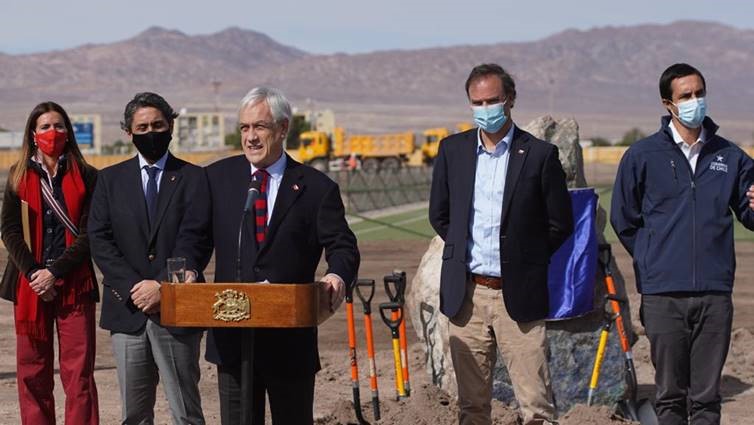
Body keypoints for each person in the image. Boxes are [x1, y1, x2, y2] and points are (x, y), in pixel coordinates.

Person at [203, 86, 359, 425]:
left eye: (260, 126)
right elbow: (193, 238)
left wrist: (336, 275)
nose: (251, 137)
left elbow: (343, 246)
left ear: (283, 128)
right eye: (244, 128)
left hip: (290, 342)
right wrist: (185, 268)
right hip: (233, 337)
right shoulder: (216, 179)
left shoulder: (317, 188)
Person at [428, 63, 573, 425]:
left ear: (510, 100)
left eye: (493, 100)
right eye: (477, 102)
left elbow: (559, 223)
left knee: (537, 406)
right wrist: (462, 251)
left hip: (519, 298)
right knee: (472, 407)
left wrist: (526, 259)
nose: (486, 109)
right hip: (467, 297)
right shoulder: (453, 151)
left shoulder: (539, 155)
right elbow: (440, 214)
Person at [611, 63, 754, 425]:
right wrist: (651, 259)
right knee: (670, 397)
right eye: (686, 96)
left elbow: (749, 215)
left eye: (700, 93)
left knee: (706, 399)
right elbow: (623, 220)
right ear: (667, 104)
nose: (695, 101)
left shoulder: (731, 157)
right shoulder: (641, 156)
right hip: (663, 296)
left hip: (715, 294)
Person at [88, 92, 212, 424]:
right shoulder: (109, 180)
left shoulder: (194, 178)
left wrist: (161, 286)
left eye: (158, 124)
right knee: (135, 415)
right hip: (127, 311)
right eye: (142, 126)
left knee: (186, 411)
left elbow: (196, 238)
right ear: (128, 132)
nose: (151, 131)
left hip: (177, 309)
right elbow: (100, 240)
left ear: (171, 125)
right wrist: (135, 287)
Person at [0, 102, 99, 424]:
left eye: (58, 126)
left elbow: (90, 234)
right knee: (32, 370)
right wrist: (33, 272)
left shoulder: (87, 176)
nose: (52, 133)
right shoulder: (17, 176)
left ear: (68, 132)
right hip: (29, 286)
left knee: (79, 372)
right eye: (45, 127)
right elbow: (10, 230)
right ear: (33, 133)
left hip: (74, 283)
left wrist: (54, 272)